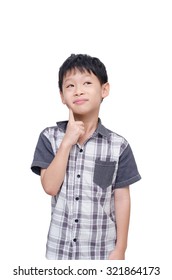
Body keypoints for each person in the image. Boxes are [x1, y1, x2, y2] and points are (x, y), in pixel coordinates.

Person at [31, 54, 141, 260]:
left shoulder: (119, 146)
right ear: (62, 96)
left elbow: (122, 198)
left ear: (104, 90)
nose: (78, 90)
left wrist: (121, 249)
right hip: (59, 251)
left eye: (87, 83)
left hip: (101, 250)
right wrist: (67, 143)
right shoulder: (49, 137)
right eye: (70, 86)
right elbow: (50, 187)